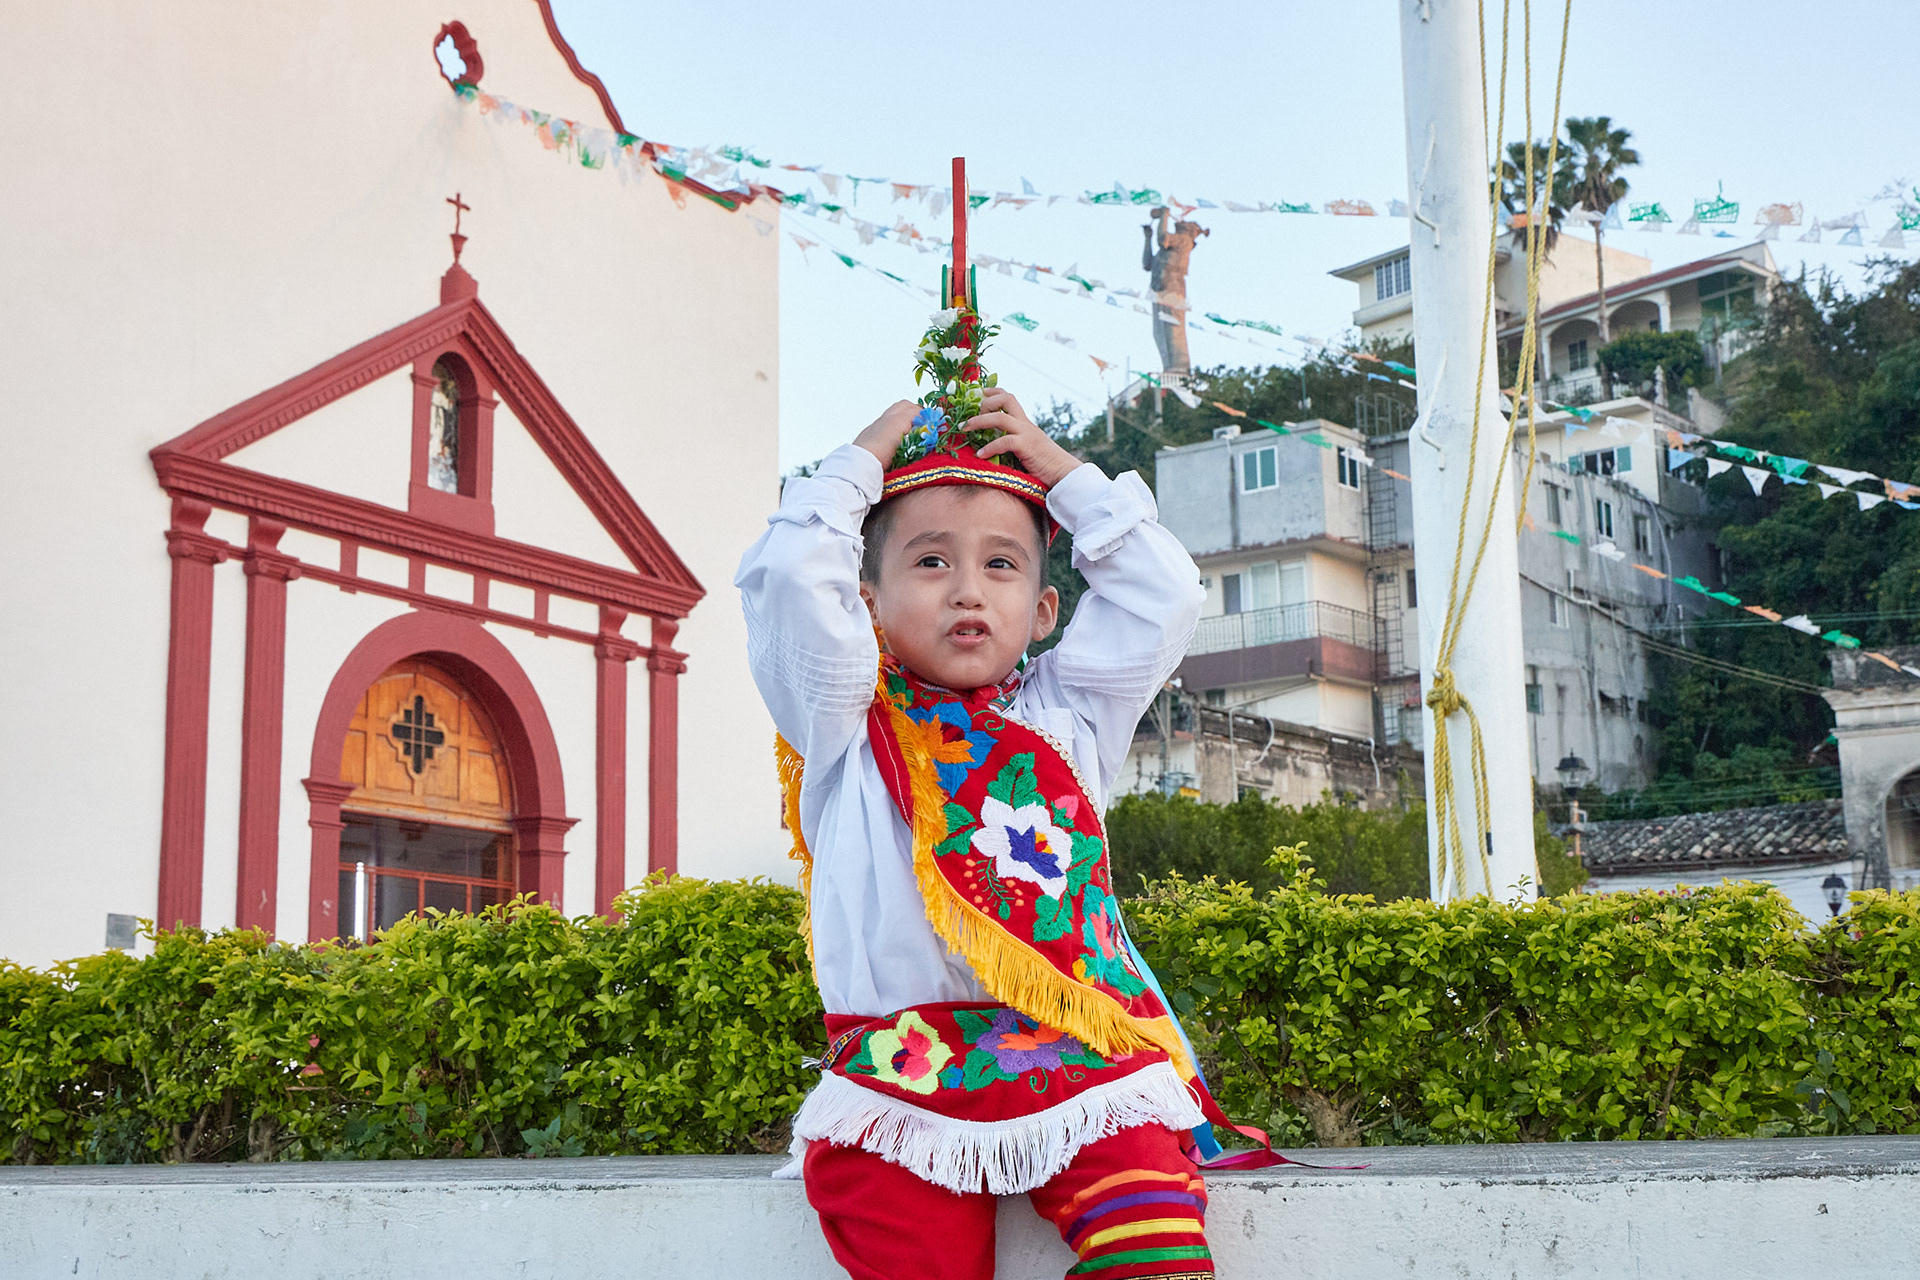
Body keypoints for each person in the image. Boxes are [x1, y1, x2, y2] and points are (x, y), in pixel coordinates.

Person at [736, 385, 1244, 1280]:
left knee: (1158, 1245)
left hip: (1076, 1061)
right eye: (931, 561)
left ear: (1044, 612)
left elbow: (1165, 596)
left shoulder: (1068, 711)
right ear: (867, 602)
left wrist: (1063, 473)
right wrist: (860, 463)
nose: (968, 590)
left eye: (1001, 565)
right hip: (900, 1076)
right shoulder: (845, 720)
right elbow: (788, 583)